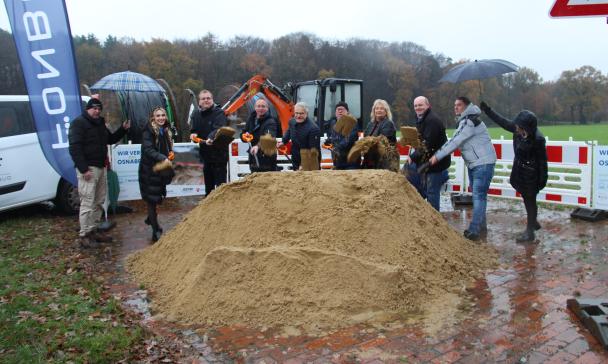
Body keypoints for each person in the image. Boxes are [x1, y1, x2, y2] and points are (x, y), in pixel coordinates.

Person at [429, 96, 496, 241]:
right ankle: (481, 226)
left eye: (459, 105)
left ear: (466, 106)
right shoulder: (467, 120)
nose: (456, 107)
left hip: (482, 163)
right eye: (455, 105)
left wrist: (436, 156)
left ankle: (474, 230)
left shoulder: (469, 122)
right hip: (476, 163)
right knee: (480, 196)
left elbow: (455, 141)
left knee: (478, 196)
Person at [480, 102, 548, 242]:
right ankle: (533, 221)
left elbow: (542, 161)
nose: (515, 127)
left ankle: (530, 232)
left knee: (530, 200)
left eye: (518, 125)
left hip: (532, 174)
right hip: (520, 171)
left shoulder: (538, 139)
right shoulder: (518, 130)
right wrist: (488, 110)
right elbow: (503, 122)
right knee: (526, 197)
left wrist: (542, 179)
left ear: (527, 127)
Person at [68, 97, 130, 248]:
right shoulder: (78, 123)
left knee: (99, 200)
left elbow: (110, 139)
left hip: (101, 167)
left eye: (98, 109)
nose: (96, 111)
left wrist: (123, 129)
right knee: (87, 202)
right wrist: (83, 169)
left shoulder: (100, 123)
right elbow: (74, 148)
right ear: (88, 109)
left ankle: (93, 229)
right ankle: (84, 235)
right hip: (88, 169)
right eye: (94, 108)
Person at [407, 96, 450, 211]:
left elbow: (427, 144)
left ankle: (435, 221)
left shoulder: (432, 121)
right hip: (427, 162)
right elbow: (420, 141)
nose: (418, 108)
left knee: (432, 192)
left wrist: (413, 156)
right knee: (424, 188)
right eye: (415, 106)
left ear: (428, 105)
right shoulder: (421, 119)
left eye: (420, 105)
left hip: (436, 163)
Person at [138, 107, 174, 242]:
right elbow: (148, 150)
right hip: (149, 171)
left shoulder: (166, 130)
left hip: (160, 169)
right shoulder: (148, 131)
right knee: (151, 200)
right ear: (153, 118)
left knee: (156, 197)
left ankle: (150, 218)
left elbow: (167, 146)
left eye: (163, 115)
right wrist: (162, 157)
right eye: (158, 116)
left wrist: (169, 153)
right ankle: (155, 230)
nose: (161, 118)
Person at [189, 90, 229, 196]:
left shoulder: (219, 112)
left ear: (212, 99)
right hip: (205, 155)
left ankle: (222, 208)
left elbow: (219, 128)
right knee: (208, 185)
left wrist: (211, 137)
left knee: (221, 186)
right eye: (203, 98)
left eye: (208, 98)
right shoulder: (196, 114)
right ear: (199, 101)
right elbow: (194, 129)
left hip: (219, 154)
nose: (206, 100)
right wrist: (193, 134)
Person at [278, 102, 321, 170]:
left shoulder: (313, 129)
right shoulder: (292, 122)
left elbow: (313, 151)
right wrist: (283, 141)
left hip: (309, 162)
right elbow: (289, 131)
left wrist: (303, 164)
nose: (298, 116)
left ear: (306, 114)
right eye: (296, 113)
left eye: (301, 113)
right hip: (295, 157)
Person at [241, 98, 279, 172]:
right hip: (253, 156)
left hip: (267, 157)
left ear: (267, 108)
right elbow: (244, 132)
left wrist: (257, 146)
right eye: (258, 106)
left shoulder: (271, 122)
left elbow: (269, 137)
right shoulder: (251, 119)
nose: (260, 108)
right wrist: (244, 136)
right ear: (255, 107)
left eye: (263, 106)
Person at [362, 99, 398, 170]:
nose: (379, 110)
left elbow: (382, 141)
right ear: (374, 111)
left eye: (382, 108)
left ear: (386, 111)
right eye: (377, 108)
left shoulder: (388, 124)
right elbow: (365, 139)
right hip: (369, 160)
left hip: (383, 162)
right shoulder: (370, 124)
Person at [327, 101, 359, 170]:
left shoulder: (352, 123)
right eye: (338, 109)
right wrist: (329, 141)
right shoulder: (333, 123)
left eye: (342, 109)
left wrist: (336, 147)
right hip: (338, 161)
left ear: (347, 112)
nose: (340, 111)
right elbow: (332, 137)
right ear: (335, 113)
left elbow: (349, 139)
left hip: (350, 160)